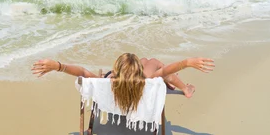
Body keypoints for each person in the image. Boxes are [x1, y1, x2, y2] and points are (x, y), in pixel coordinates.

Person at [31, 53, 215, 113]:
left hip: (117, 97)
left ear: (116, 69)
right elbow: (168, 70)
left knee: (145, 61)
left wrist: (58, 66)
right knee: (153, 62)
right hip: (140, 88)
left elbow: (82, 72)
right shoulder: (146, 80)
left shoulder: (108, 82)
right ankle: (185, 88)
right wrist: (187, 63)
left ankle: (141, 67)